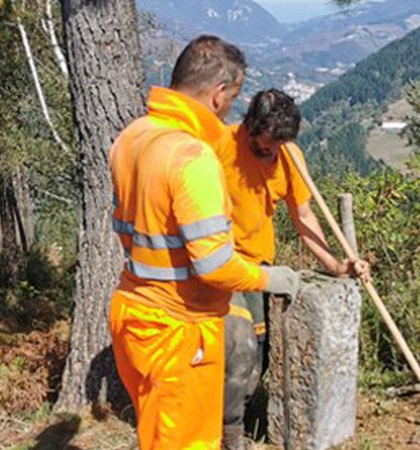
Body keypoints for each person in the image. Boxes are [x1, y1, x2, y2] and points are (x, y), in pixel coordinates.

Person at [107, 36, 301, 450]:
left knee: (158, 433)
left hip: (134, 315)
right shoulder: (192, 157)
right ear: (218, 94)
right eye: (232, 97)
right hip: (180, 329)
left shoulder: (131, 138)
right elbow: (214, 265)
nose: (230, 107)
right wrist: (269, 278)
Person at [215, 88, 371, 449]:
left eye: (277, 145)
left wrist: (335, 265)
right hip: (222, 264)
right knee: (238, 350)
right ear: (249, 126)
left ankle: (237, 415)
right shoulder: (220, 147)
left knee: (259, 354)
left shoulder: (290, 156)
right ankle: (227, 437)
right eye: (262, 146)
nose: (269, 152)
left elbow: (303, 216)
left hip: (260, 266)